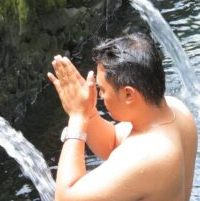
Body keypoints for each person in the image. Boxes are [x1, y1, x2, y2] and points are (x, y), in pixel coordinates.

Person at [47, 32, 198, 201]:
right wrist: (88, 112)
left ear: (128, 94)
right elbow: (111, 142)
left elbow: (64, 197)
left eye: (103, 89)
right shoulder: (177, 110)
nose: (101, 96)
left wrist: (77, 118)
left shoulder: (146, 155)